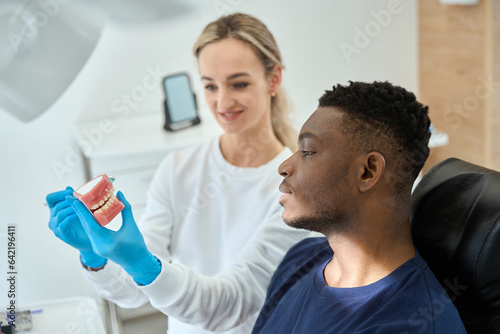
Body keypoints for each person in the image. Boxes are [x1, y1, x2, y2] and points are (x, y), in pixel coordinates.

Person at [46, 13, 311, 334]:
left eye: (239, 83)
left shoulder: (298, 190)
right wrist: (96, 259)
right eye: (210, 86)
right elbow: (133, 294)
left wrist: (143, 264)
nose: (222, 101)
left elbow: (231, 306)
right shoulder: (178, 169)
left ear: (274, 79)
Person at [251, 81, 467, 333]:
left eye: (308, 151)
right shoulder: (301, 258)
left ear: (368, 171)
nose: (284, 166)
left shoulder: (410, 325)